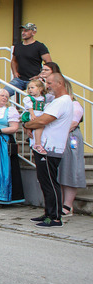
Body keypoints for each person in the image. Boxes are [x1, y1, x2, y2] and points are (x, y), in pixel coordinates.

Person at [23, 73, 72, 227]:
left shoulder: (62, 101)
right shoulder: (57, 101)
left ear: (60, 83)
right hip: (44, 147)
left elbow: (44, 120)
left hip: (50, 148)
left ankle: (55, 217)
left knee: (50, 182)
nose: (47, 86)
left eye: (49, 83)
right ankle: (48, 213)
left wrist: (26, 125)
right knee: (45, 181)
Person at [57, 88, 85, 218]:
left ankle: (67, 205)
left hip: (70, 138)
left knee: (70, 169)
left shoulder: (75, 105)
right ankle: (60, 203)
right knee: (61, 171)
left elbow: (73, 124)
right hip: (59, 139)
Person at [7, 23, 51, 95]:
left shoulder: (40, 46)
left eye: (26, 31)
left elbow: (49, 63)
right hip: (19, 79)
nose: (23, 33)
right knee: (3, 93)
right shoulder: (17, 46)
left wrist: (40, 75)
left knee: (33, 99)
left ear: (33, 32)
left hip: (34, 80)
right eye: (23, 31)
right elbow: (14, 61)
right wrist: (15, 72)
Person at [20, 79, 47, 153]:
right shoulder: (28, 98)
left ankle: (37, 142)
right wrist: (32, 115)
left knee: (41, 126)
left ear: (40, 89)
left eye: (32, 88)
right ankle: (37, 144)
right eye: (29, 88)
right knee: (39, 125)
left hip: (39, 113)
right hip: (32, 114)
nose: (30, 90)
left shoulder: (43, 98)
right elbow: (30, 108)